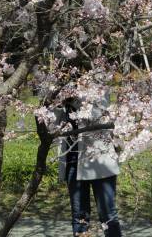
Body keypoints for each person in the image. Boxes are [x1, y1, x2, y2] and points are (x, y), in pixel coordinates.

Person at [56, 96, 122, 237]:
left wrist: (73, 98)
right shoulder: (62, 89)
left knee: (108, 214)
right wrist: (56, 102)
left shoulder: (97, 85)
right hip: (72, 160)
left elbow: (96, 115)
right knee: (80, 217)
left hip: (100, 160)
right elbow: (52, 125)